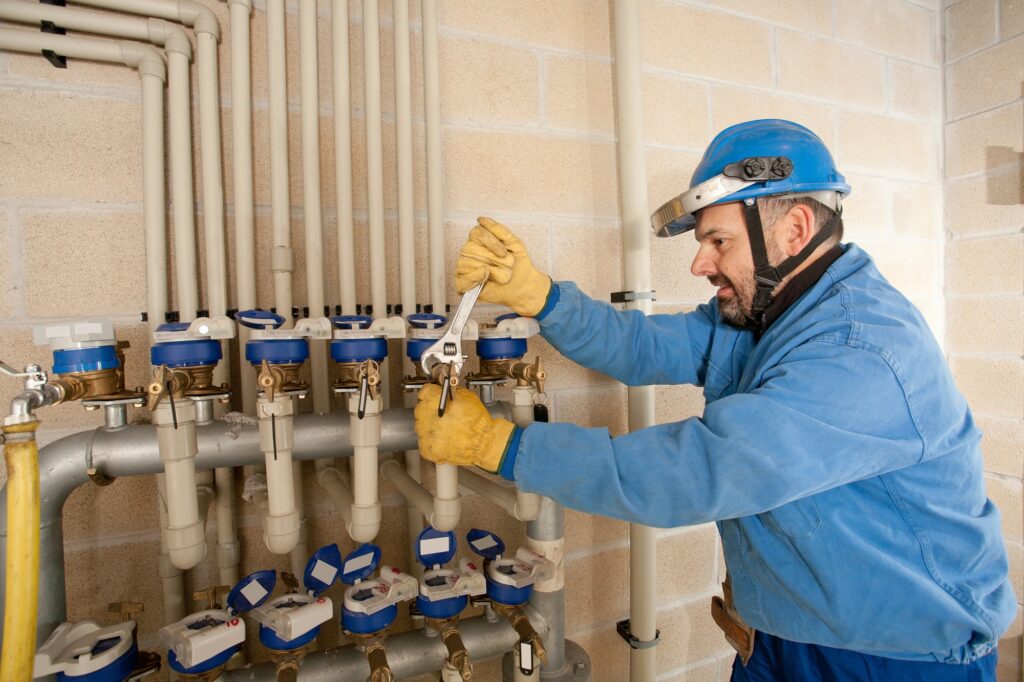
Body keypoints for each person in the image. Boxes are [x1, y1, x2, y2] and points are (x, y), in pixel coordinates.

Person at [413, 119, 1015, 680]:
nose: (701, 263)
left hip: (893, 654)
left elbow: (699, 472)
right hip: (782, 630)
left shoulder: (860, 352)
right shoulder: (766, 317)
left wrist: (502, 446)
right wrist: (543, 297)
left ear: (795, 230)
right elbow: (644, 345)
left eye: (718, 242)